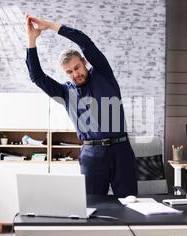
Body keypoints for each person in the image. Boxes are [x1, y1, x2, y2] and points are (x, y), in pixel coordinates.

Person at [25, 15, 137, 197]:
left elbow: (85, 42)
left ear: (84, 62)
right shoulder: (64, 92)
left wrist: (52, 26)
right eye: (69, 72)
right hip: (92, 154)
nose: (75, 74)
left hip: (121, 151)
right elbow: (37, 77)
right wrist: (31, 40)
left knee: (130, 204)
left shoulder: (103, 74)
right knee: (92, 207)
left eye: (77, 68)